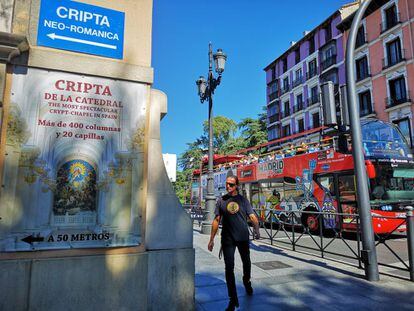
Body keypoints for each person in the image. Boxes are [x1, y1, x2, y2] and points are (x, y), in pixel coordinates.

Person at [208, 175, 260, 311]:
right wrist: (211, 239)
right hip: (227, 239)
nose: (228, 187)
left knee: (246, 262)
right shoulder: (221, 201)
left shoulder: (243, 200)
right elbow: (216, 220)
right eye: (227, 184)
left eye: (231, 184)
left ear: (236, 185)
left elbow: (253, 217)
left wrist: (257, 230)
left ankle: (246, 281)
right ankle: (233, 299)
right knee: (228, 268)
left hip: (242, 237)